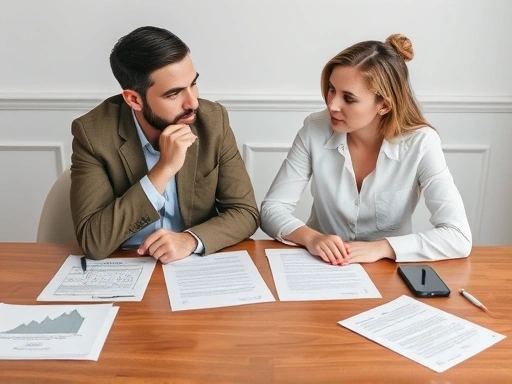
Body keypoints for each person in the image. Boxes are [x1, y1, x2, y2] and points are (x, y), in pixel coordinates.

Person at [260, 34, 472, 265]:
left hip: (388, 271)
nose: (332, 105)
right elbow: (272, 208)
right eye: (331, 89)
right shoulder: (314, 129)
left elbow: (458, 235)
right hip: (320, 266)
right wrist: (312, 238)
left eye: (348, 98)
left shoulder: (421, 143)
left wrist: (381, 248)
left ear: (384, 105)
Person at [70, 26, 259, 263]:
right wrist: (163, 170)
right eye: (173, 94)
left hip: (195, 263)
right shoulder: (93, 134)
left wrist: (189, 240)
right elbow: (93, 242)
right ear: (134, 99)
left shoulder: (213, 121)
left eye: (193, 84)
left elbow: (246, 213)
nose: (192, 102)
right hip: (126, 263)